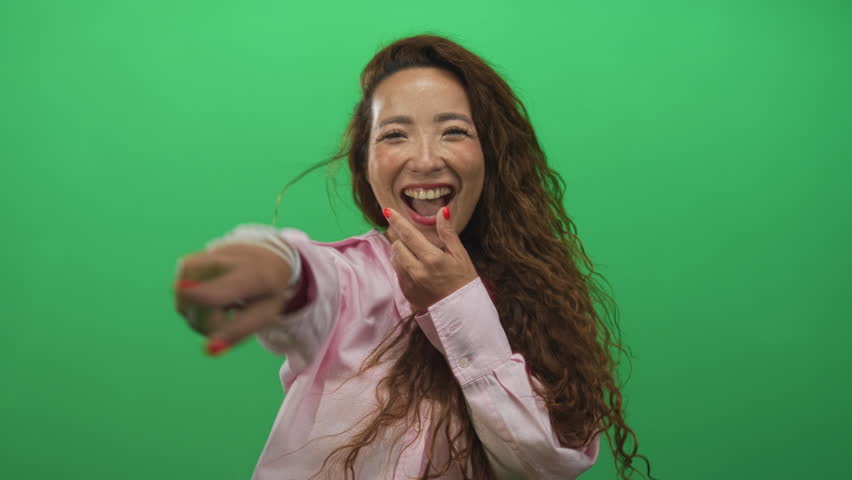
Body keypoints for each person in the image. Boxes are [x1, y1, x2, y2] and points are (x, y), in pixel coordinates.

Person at [174, 34, 655, 480]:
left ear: (491, 154)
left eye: (453, 132)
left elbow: (542, 460)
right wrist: (275, 268)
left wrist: (457, 302)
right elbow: (310, 277)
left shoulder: (536, 294)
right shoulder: (352, 280)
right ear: (366, 163)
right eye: (395, 135)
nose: (425, 160)